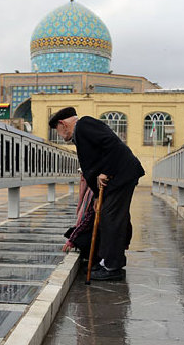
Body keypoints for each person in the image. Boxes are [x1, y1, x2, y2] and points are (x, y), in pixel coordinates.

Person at [50, 107, 144, 280]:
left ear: (62, 124)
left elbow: (112, 144)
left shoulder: (84, 124)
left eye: (58, 132)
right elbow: (96, 160)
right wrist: (95, 195)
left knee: (111, 219)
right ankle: (106, 261)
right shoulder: (80, 133)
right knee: (109, 218)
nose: (60, 136)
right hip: (116, 179)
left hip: (120, 176)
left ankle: (111, 267)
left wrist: (105, 171)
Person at [62, 170, 99, 265]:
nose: (81, 179)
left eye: (83, 176)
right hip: (93, 228)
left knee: (77, 238)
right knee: (71, 232)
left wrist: (71, 240)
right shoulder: (90, 190)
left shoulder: (93, 192)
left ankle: (94, 258)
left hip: (98, 232)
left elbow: (87, 221)